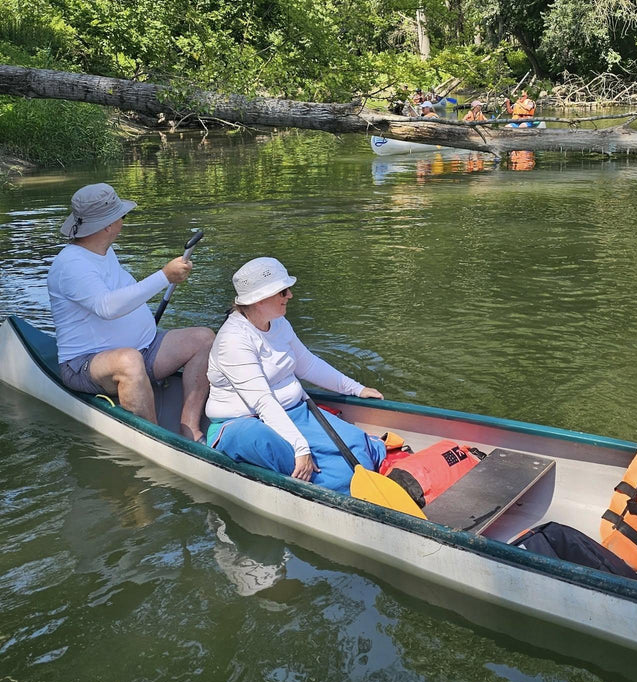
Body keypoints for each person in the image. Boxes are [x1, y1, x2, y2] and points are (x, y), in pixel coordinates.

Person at [47, 183, 214, 441]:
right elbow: (107, 307)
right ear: (107, 224)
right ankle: (159, 441)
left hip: (146, 348)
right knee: (129, 360)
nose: (123, 221)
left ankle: (188, 427)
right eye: (121, 216)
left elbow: (126, 294)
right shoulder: (70, 264)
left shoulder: (104, 251)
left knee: (203, 338)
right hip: (85, 365)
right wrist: (164, 276)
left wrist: (167, 276)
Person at [205, 257, 387, 492]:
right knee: (328, 474)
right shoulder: (233, 339)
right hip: (244, 424)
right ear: (259, 300)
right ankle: (330, 490)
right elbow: (262, 401)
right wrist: (301, 448)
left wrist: (356, 388)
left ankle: (338, 479)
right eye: (283, 291)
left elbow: (309, 365)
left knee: (358, 448)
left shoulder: (278, 323)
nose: (290, 295)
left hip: (294, 412)